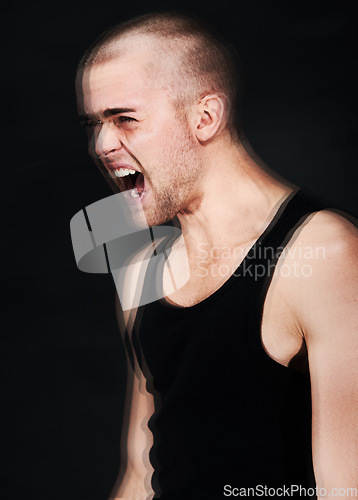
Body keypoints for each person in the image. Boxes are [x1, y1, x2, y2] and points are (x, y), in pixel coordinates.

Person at [75, 12, 358, 499]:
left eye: (124, 119)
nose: (102, 144)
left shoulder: (322, 254)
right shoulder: (142, 268)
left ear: (205, 117)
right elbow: (142, 473)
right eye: (95, 124)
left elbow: (344, 488)